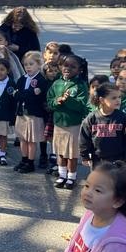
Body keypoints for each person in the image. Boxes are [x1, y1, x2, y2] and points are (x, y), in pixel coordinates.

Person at [47, 53, 90, 189]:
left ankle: (71, 177)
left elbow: (81, 105)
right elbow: (49, 101)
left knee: (71, 153)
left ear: (79, 70)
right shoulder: (56, 83)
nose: (68, 68)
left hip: (73, 124)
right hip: (59, 123)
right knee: (60, 151)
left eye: (73, 66)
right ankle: (62, 175)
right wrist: (56, 101)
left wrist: (68, 100)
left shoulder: (80, 85)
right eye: (65, 65)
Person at [0, 6, 41, 74]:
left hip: (22, 67)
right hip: (0, 66)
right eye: (15, 25)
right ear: (11, 21)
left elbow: (36, 52)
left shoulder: (30, 32)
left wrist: (19, 48)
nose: (17, 28)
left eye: (20, 26)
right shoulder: (4, 28)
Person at [13, 50, 49, 173]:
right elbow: (16, 95)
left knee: (31, 140)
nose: (28, 67)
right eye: (26, 64)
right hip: (22, 114)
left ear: (39, 64)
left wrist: (23, 94)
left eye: (31, 64)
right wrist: (30, 93)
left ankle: (30, 162)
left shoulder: (41, 80)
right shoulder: (22, 79)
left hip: (34, 115)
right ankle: (24, 159)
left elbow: (38, 96)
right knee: (23, 139)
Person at [79, 83, 126, 169]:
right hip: (98, 159)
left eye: (119, 97)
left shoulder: (122, 117)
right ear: (102, 100)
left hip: (118, 159)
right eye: (114, 98)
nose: (118, 100)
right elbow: (84, 138)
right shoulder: (92, 118)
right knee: (99, 181)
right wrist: (85, 156)